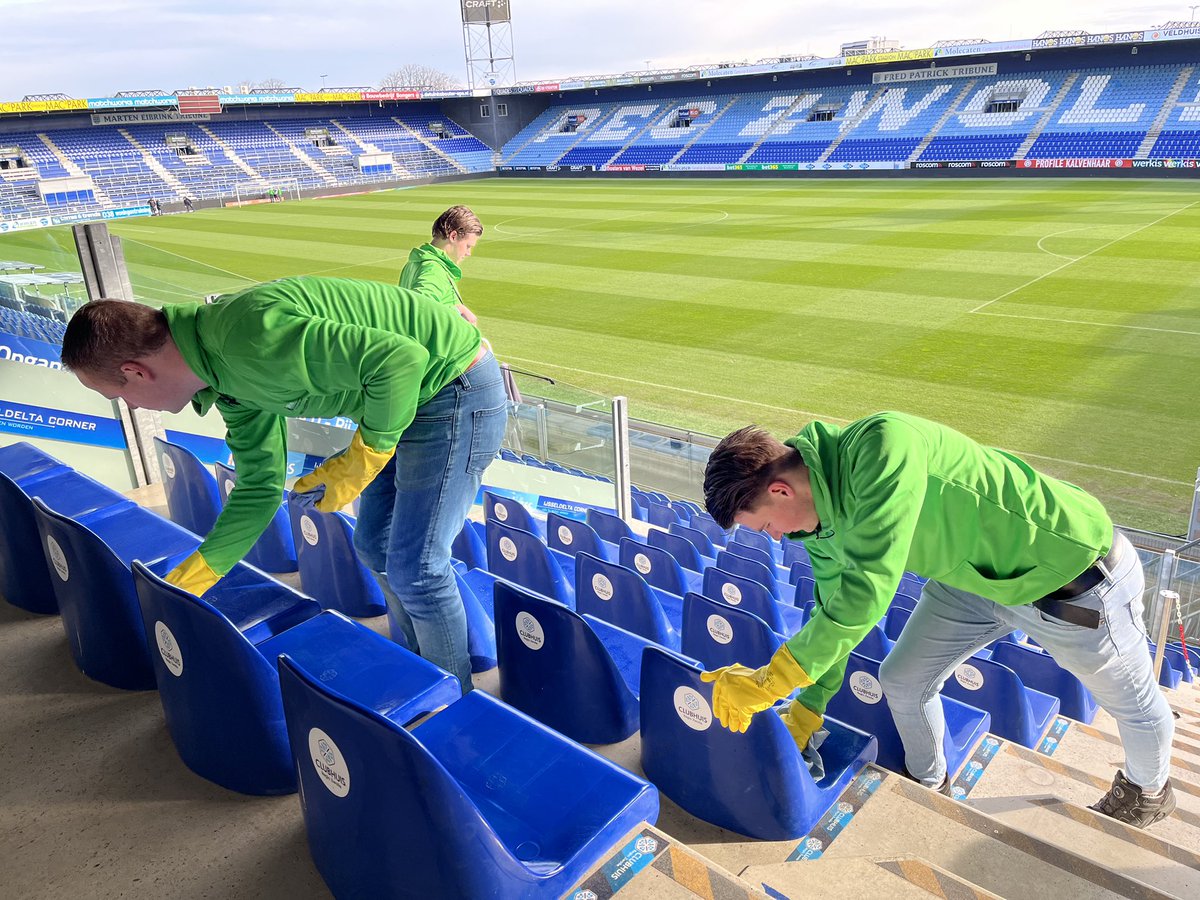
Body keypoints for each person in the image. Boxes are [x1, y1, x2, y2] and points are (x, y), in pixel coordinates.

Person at [700, 412, 1176, 828]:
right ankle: (933, 785)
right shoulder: (816, 526)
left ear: (781, 490)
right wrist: (810, 704)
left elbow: (868, 591)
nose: (777, 538)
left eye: (766, 525)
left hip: (1072, 581)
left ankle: (1148, 794)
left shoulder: (884, 445)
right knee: (903, 679)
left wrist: (769, 681)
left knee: (1132, 704)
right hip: (968, 583)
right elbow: (834, 614)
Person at [60, 275, 507, 691]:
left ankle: (454, 699)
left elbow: (400, 360)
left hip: (455, 389)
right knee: (374, 546)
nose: (132, 408)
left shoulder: (246, 339)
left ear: (137, 372)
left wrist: (361, 458)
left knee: (417, 567)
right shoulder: (223, 380)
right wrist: (191, 578)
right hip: (401, 404)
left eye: (119, 396)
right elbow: (258, 487)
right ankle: (421, 667)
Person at [399, 205, 482, 325]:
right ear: (453, 236)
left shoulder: (414, 263)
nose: (468, 253)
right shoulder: (433, 270)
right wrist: (457, 312)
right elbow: (417, 310)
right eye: (467, 246)